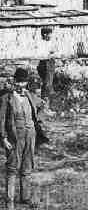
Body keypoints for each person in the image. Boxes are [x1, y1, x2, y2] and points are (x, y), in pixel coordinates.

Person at [0, 68, 44, 209]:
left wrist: (39, 122)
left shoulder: (30, 96)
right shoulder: (6, 98)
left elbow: (41, 106)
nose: (21, 85)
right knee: (12, 167)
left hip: (30, 135)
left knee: (27, 166)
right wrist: (4, 138)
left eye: (23, 82)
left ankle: (25, 198)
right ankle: (10, 200)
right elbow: (1, 121)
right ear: (14, 81)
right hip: (15, 137)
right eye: (19, 82)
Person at [36, 27, 58, 101]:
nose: (50, 36)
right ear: (45, 34)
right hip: (44, 63)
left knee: (49, 81)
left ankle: (47, 98)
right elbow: (42, 54)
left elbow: (54, 51)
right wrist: (49, 54)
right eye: (49, 34)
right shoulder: (40, 43)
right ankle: (46, 98)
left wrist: (52, 54)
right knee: (46, 82)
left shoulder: (51, 42)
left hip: (50, 62)